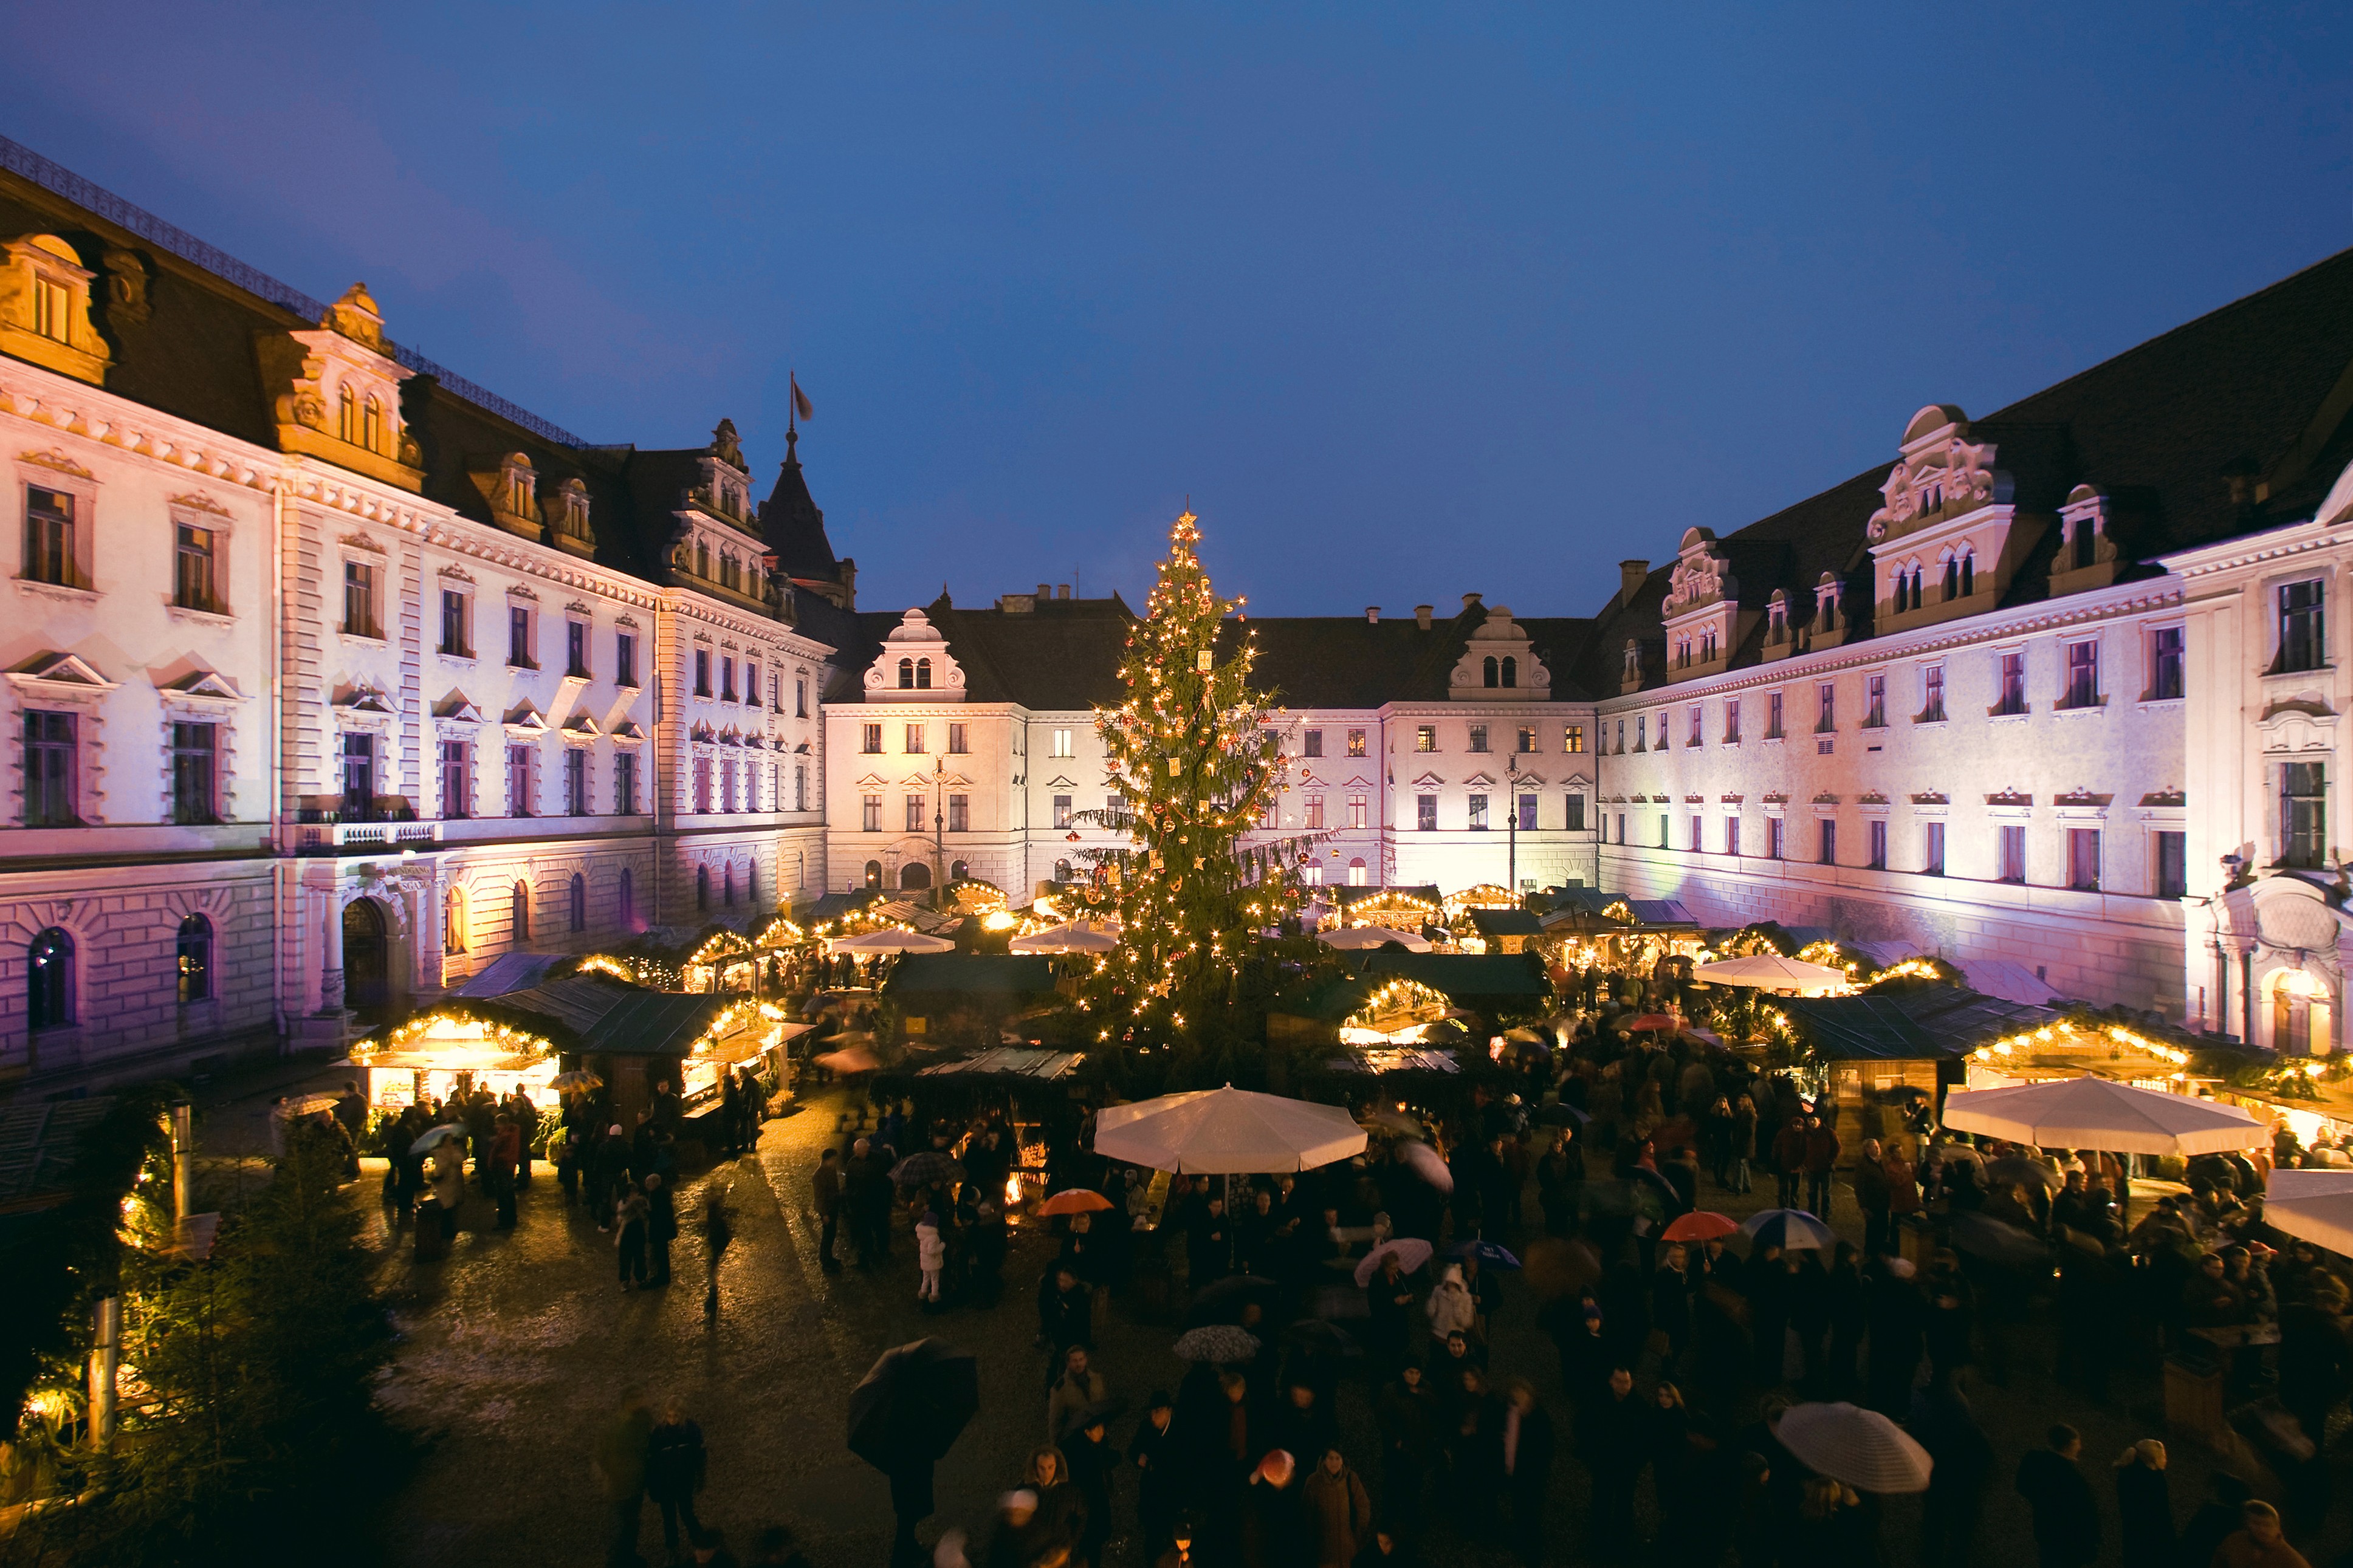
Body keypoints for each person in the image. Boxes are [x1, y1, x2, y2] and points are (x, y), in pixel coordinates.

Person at [2015, 1423, 2100, 1568]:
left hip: (2044, 1529)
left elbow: (2022, 1485)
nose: (2080, 1448)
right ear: (2070, 1445)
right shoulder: (2072, 1478)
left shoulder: (2035, 1460)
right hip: (2069, 1542)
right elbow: (2086, 1514)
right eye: (2078, 1444)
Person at [594, 1390, 654, 1568]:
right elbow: (600, 1455)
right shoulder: (613, 1426)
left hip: (635, 1485)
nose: (639, 1402)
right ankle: (615, 1562)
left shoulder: (643, 1423)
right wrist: (605, 1477)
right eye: (634, 1399)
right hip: (618, 1487)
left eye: (640, 1398)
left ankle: (629, 1557)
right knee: (619, 1528)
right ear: (625, 1402)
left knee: (632, 1524)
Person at [1499, 1380, 1554, 1567]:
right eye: (1516, 1395)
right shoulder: (1513, 1413)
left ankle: (1535, 1550)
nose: (1519, 1399)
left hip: (1531, 1477)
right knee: (1519, 1509)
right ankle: (1522, 1540)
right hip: (1517, 1473)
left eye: (1523, 1395)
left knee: (1531, 1514)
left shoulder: (1539, 1419)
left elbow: (1546, 1451)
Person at [647, 1395, 709, 1561]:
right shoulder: (659, 1433)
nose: (672, 1420)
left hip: (684, 1482)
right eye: (669, 1416)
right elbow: (652, 1461)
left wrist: (699, 1478)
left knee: (687, 1514)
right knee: (669, 1518)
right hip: (666, 1484)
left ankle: (701, 1546)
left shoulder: (690, 1430)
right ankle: (673, 1550)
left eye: (676, 1416)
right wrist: (654, 1486)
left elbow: (699, 1457)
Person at [1128, 1391, 1181, 1559]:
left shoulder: (1180, 1432)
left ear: (1169, 1411)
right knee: (1152, 1537)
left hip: (1172, 1495)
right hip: (1151, 1493)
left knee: (1170, 1538)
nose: (1153, 1416)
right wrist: (1138, 1458)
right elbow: (1133, 1449)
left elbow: (1184, 1465)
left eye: (1157, 1411)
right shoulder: (1147, 1428)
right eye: (1151, 1412)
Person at [1302, 1445, 1372, 1568]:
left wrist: (1358, 1535)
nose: (1334, 1462)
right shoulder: (1314, 1482)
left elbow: (1363, 1506)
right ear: (1324, 1460)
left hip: (1348, 1552)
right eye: (1331, 1458)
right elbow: (1306, 1514)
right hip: (1324, 1554)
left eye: (1338, 1458)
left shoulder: (1351, 1479)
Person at [1063, 1416, 1118, 1568]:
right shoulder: (1081, 1454)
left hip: (1097, 1511)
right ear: (1088, 1432)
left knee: (1095, 1552)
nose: (1102, 1430)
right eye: (1098, 1427)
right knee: (1089, 1553)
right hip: (1089, 1513)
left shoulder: (1099, 1447)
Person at [2113, 1439, 2175, 1568]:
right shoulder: (2153, 1480)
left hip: (2133, 1532)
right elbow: (2161, 1513)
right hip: (2151, 1537)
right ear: (2153, 1459)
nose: (2166, 1460)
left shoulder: (2128, 1473)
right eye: (2163, 1456)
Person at [2210, 1498, 2309, 1568]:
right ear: (2248, 1524)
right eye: (2256, 1523)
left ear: (2278, 1528)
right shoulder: (2235, 1541)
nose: (2262, 1529)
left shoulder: (2293, 1562)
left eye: (2267, 1525)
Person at [1047, 1346, 1110, 1445]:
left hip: (1099, 1434)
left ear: (1086, 1360)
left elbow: (1103, 1404)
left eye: (1081, 1360)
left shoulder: (1096, 1379)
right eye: (1075, 1361)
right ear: (1068, 1363)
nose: (1079, 1364)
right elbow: (1056, 1421)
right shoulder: (1060, 1389)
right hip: (1078, 1440)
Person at [812, 1148, 844, 1273]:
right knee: (828, 1236)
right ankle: (826, 1263)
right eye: (834, 1159)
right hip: (827, 1210)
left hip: (832, 1207)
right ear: (828, 1160)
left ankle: (828, 1258)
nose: (835, 1161)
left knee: (831, 1235)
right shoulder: (819, 1175)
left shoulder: (829, 1170)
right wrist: (824, 1214)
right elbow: (819, 1197)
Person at [644, 1173, 677, 1287]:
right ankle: (664, 1276)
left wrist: (647, 1212)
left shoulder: (656, 1195)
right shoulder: (663, 1193)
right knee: (662, 1253)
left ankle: (661, 1277)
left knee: (660, 1254)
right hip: (664, 1229)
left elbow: (656, 1214)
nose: (647, 1185)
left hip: (660, 1230)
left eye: (649, 1183)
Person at [617, 1182, 651, 1290]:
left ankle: (641, 1278)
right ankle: (625, 1281)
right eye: (632, 1192)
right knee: (625, 1258)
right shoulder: (623, 1202)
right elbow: (620, 1217)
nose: (634, 1194)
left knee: (640, 1256)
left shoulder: (642, 1202)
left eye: (636, 1192)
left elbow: (647, 1214)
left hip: (638, 1232)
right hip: (627, 1233)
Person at [917, 1208, 946, 1307]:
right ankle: (934, 1296)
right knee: (934, 1280)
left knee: (926, 1278)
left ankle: (923, 1293)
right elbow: (932, 1250)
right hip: (933, 1262)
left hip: (925, 1262)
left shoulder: (923, 1234)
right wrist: (942, 1245)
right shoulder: (934, 1237)